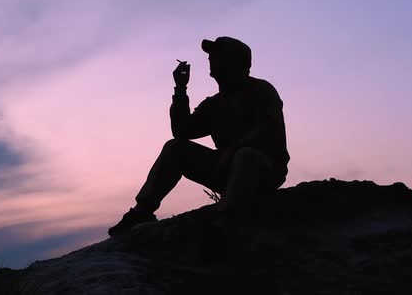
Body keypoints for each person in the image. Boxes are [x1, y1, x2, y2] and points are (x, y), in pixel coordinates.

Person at [108, 36, 290, 237]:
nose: (211, 59)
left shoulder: (261, 90)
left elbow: (268, 132)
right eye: (211, 56)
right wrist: (180, 89)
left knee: (246, 156)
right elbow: (182, 131)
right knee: (174, 148)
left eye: (218, 55)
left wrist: (234, 150)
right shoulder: (214, 104)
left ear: (236, 62)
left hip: (263, 170)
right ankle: (142, 212)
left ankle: (225, 224)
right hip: (227, 170)